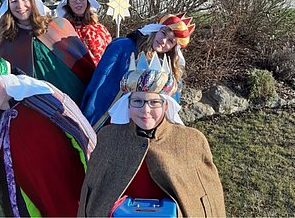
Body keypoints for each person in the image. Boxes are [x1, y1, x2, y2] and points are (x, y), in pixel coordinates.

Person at [78, 52, 225, 217]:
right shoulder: (109, 137)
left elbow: (207, 200)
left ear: (166, 105)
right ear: (128, 104)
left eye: (154, 102)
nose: (145, 110)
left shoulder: (191, 141)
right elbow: (92, 194)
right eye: (137, 101)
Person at [0, 46, 96, 217]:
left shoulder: (44, 98)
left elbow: (81, 135)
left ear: (5, 78)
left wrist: (94, 175)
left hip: (70, 180)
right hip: (32, 188)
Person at [81, 13, 195, 131]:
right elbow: (101, 81)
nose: (163, 40)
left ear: (173, 48)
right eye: (163, 33)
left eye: (170, 41)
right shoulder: (123, 46)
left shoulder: (170, 71)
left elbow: (170, 104)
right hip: (109, 114)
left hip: (141, 121)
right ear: (156, 29)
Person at [0, 0, 95, 105]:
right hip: (40, 107)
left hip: (74, 97)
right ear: (7, 6)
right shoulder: (8, 42)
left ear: (34, 1)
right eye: (13, 1)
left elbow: (83, 63)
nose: (20, 6)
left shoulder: (59, 25)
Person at [56, 0, 112, 65]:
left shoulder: (100, 30)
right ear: (67, 2)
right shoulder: (63, 30)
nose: (78, 1)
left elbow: (109, 59)